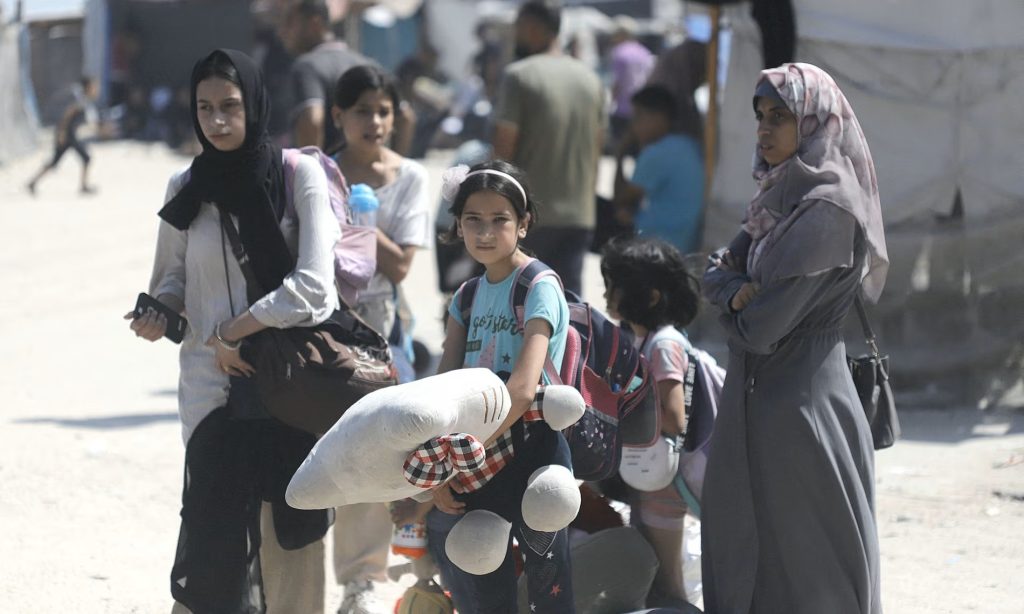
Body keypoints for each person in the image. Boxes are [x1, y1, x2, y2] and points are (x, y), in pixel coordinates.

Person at [127, 49, 338, 613]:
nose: (217, 121)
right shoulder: (186, 185)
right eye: (204, 108)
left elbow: (317, 288)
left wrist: (234, 333)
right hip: (208, 390)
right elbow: (171, 281)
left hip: (287, 384)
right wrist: (159, 315)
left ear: (255, 103)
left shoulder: (298, 175)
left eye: (230, 106)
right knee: (211, 536)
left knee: (289, 535)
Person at [701, 63, 888, 613]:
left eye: (779, 116)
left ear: (814, 121)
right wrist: (734, 288)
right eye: (760, 116)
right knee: (750, 549)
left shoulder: (828, 210)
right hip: (753, 402)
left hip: (801, 410)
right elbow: (713, 269)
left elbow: (762, 329)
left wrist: (729, 303)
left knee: (812, 565)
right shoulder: (777, 198)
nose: (764, 129)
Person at [431, 160, 575, 613]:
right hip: (478, 460)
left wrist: (460, 457)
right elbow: (439, 390)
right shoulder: (466, 296)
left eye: (500, 220)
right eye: (473, 220)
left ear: (524, 223)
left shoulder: (539, 285)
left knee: (548, 589)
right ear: (458, 224)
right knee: (485, 587)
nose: (485, 232)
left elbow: (522, 387)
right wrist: (440, 467)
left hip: (533, 451)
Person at [329, 64, 431, 614]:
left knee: (381, 454)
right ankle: (344, 576)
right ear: (339, 116)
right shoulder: (319, 173)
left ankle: (377, 578)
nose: (375, 121)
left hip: (384, 338)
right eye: (363, 110)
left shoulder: (410, 177)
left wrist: (362, 220)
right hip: (324, 335)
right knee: (332, 455)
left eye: (383, 110)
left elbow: (401, 268)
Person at [600, 236, 702, 608]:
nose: (608, 294)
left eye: (616, 286)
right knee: (658, 582)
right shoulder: (645, 342)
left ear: (651, 296)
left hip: (670, 484)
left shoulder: (663, 345)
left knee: (667, 587)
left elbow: (674, 417)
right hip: (657, 481)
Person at [492, 1, 604, 296]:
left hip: (530, 216)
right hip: (579, 215)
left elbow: (503, 152)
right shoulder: (591, 80)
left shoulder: (519, 75)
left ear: (533, 28)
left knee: (521, 306)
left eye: (519, 28)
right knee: (569, 307)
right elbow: (596, 151)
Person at [613, 85, 705, 255]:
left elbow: (621, 197)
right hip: (685, 242)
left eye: (639, 116)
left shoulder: (656, 152)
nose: (633, 126)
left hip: (657, 245)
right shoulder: (689, 144)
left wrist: (620, 154)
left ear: (660, 117)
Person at [280, 0, 372, 149]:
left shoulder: (306, 66)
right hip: (364, 170)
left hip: (326, 169)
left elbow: (312, 120)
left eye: (289, 23)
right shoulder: (367, 64)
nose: (282, 32)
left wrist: (310, 165)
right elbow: (406, 117)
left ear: (314, 24)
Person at [27, 77, 100, 196]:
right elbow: (67, 116)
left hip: (69, 135)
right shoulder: (80, 100)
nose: (96, 89)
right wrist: (62, 133)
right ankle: (83, 186)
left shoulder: (84, 100)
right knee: (86, 158)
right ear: (88, 87)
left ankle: (33, 182)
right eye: (94, 86)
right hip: (68, 135)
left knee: (55, 162)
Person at [607, 15, 655, 148]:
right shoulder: (644, 52)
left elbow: (618, 82)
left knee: (621, 149)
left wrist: (611, 103)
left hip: (623, 110)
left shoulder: (619, 52)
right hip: (643, 109)